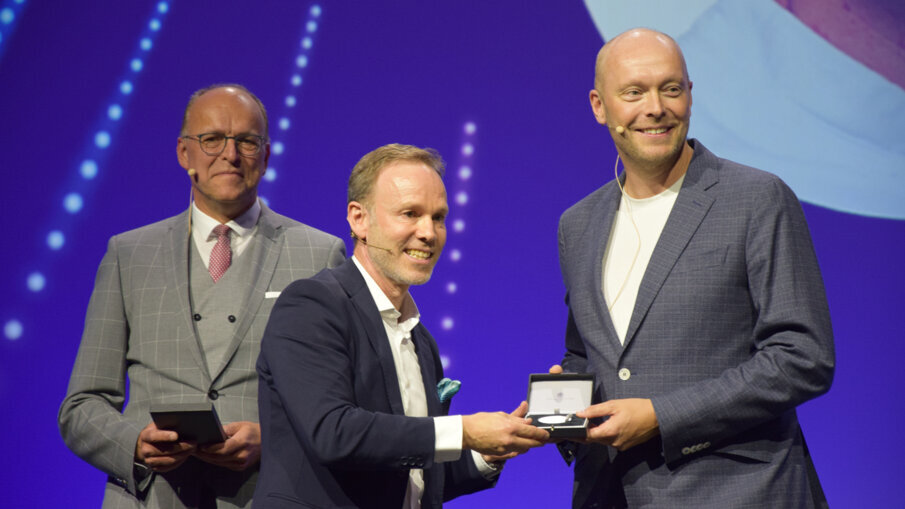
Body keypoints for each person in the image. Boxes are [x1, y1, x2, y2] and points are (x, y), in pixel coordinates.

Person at [553, 29, 834, 507]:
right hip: (611, 493)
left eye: (671, 88)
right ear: (600, 107)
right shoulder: (578, 224)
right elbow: (587, 353)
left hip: (738, 493)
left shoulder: (755, 198)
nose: (655, 108)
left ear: (690, 95)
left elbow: (802, 357)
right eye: (634, 92)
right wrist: (564, 409)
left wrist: (662, 416)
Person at [59, 84, 346, 508]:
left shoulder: (319, 254)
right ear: (184, 153)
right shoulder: (129, 255)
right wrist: (134, 443)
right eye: (212, 139)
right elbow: (83, 404)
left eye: (247, 141)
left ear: (266, 156)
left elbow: (344, 407)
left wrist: (272, 439)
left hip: (268, 494)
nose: (230, 154)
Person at [254, 143, 549, 509]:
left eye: (438, 217)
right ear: (359, 219)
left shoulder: (421, 341)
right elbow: (334, 433)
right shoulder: (312, 305)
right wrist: (464, 431)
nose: (429, 232)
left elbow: (413, 472)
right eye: (410, 213)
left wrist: (489, 450)